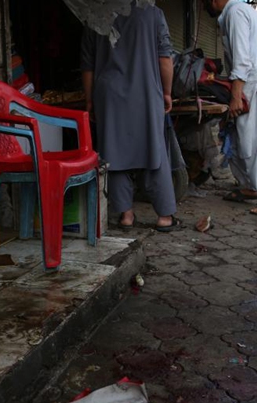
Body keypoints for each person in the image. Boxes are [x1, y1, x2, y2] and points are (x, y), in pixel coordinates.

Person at [80, 2, 177, 232]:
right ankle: (164, 216)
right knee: (154, 151)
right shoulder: (153, 14)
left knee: (113, 153)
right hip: (145, 91)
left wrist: (89, 100)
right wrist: (167, 92)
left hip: (110, 96)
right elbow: (165, 58)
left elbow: (87, 66)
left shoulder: (95, 17)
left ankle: (126, 214)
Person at [205, 0, 257, 215]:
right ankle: (249, 187)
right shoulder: (235, 12)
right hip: (252, 85)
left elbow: (242, 59)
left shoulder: (236, 12)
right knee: (238, 140)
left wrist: (235, 97)